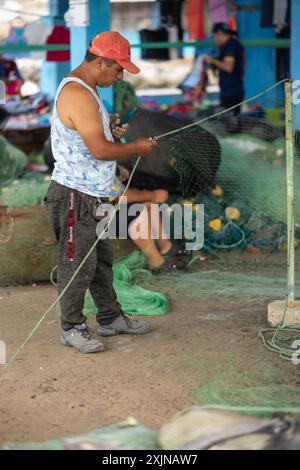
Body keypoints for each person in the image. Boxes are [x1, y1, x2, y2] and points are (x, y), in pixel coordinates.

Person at [44, 31, 157, 354]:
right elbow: (97, 149)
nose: (120, 76)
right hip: (72, 195)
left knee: (101, 261)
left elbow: (92, 136)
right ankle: (72, 327)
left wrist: (110, 129)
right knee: (76, 265)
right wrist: (134, 147)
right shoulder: (78, 94)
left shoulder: (89, 91)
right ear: (101, 62)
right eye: (118, 69)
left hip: (90, 194)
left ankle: (110, 317)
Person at [198, 23, 245, 114]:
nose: (214, 39)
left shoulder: (230, 46)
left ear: (219, 33)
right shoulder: (234, 44)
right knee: (233, 120)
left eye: (214, 36)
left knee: (230, 123)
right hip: (234, 88)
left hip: (231, 91)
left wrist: (213, 61)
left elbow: (228, 67)